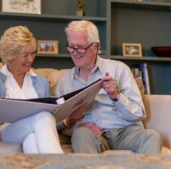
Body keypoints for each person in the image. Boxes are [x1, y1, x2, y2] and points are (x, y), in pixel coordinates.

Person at [57, 20, 162, 154]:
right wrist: (73, 122)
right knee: (81, 134)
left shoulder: (119, 69)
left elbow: (138, 113)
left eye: (81, 47)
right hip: (93, 135)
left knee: (152, 136)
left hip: (126, 131)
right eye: (71, 47)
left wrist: (115, 95)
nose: (75, 52)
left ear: (96, 46)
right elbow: (58, 125)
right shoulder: (65, 82)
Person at [0, 26, 63, 154]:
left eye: (33, 53)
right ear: (9, 57)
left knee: (31, 139)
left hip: (32, 129)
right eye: (25, 55)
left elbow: (48, 126)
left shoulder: (41, 81)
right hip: (4, 131)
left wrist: (66, 122)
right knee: (44, 116)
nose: (30, 59)